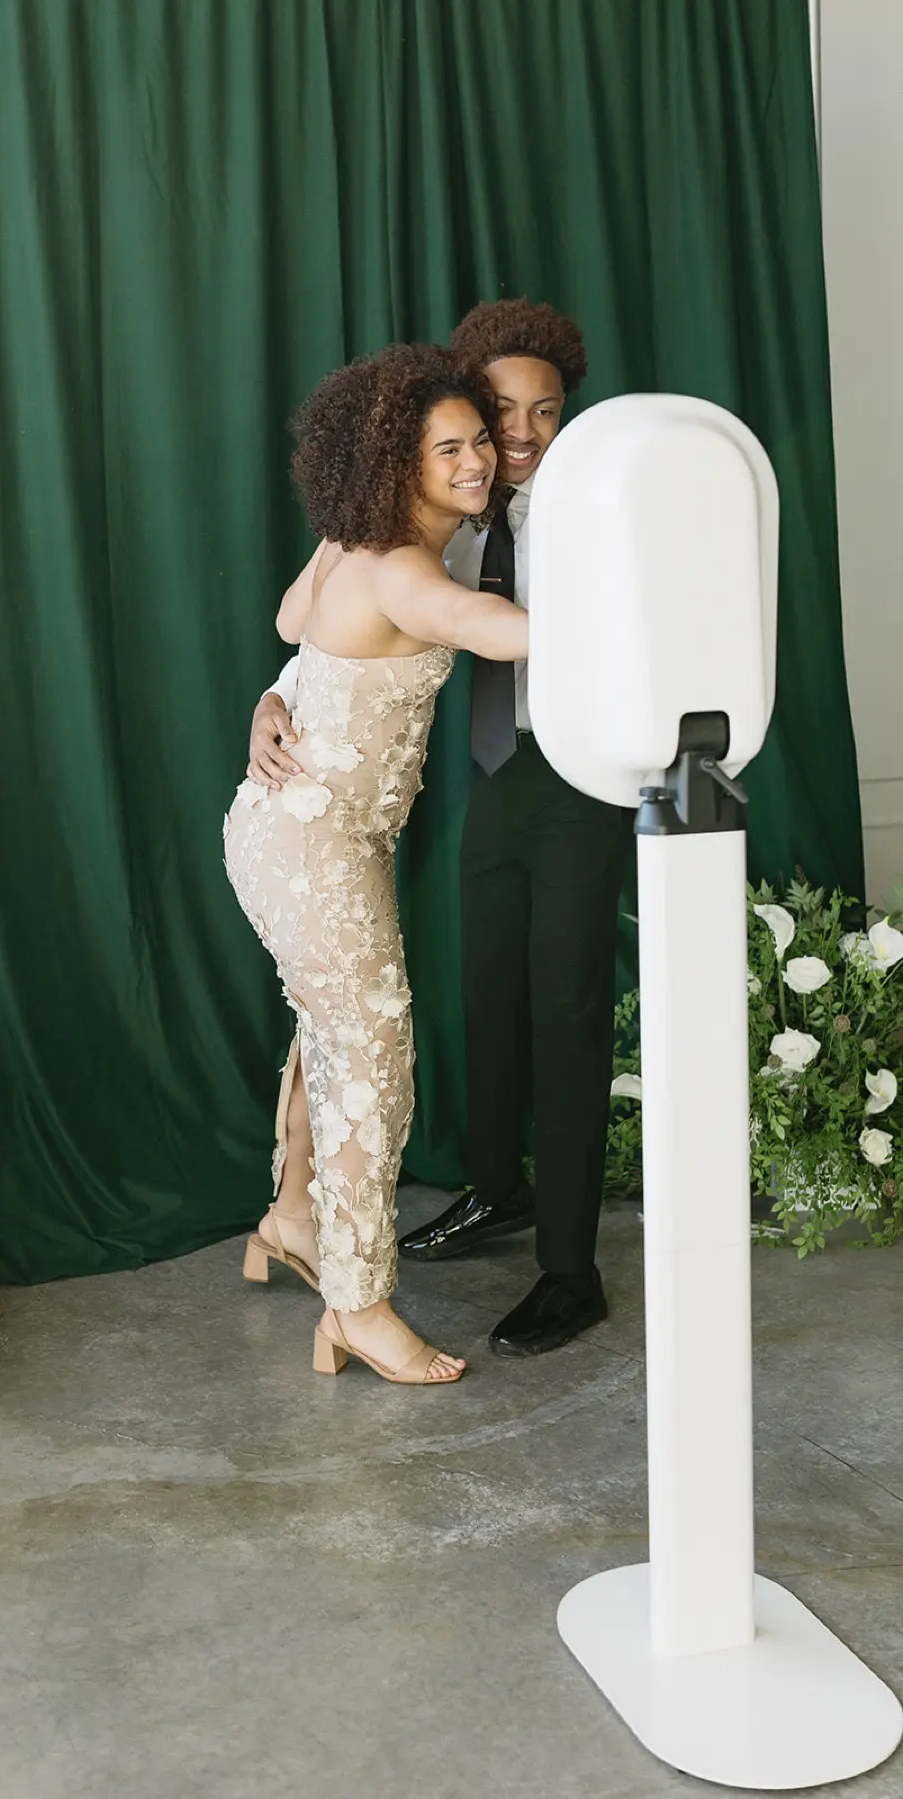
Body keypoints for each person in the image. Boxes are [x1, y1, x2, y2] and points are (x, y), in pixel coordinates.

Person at [248, 298, 632, 1357]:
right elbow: (304, 621)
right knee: (484, 997)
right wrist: (275, 701)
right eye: (491, 414)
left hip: (585, 769)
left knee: (561, 1009)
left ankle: (570, 1269)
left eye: (542, 413)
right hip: (496, 773)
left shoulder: (591, 508)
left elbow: (511, 629)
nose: (514, 437)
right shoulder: (423, 508)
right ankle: (495, 1190)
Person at [224, 342, 528, 1385]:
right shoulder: (404, 566)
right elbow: (494, 629)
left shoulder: (349, 539)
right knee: (373, 1056)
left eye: (479, 439)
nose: (477, 460)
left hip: (302, 833)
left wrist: (277, 698)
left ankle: (291, 1216)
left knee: (335, 1029)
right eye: (447, 447)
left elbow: (293, 626)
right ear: (395, 461)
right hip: (309, 842)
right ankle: (356, 1304)